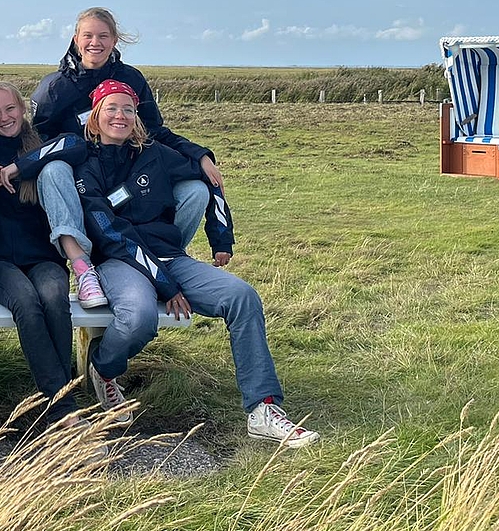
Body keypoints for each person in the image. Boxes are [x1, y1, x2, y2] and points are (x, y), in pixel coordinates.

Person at [75, 78, 319, 448]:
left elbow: (210, 181)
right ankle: (105, 367)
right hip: (117, 260)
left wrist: (220, 235)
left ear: (137, 116)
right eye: (111, 108)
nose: (120, 115)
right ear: (95, 116)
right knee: (139, 316)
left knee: (242, 297)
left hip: (170, 256)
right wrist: (166, 285)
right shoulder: (85, 164)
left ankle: (263, 409)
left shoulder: (155, 154)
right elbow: (111, 232)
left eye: (128, 108)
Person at [29, 6, 224, 310]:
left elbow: (154, 131)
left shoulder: (131, 78)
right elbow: (38, 142)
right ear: (75, 38)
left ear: (115, 39)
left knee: (196, 191)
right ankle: (85, 269)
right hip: (81, 183)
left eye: (104, 36)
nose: (96, 42)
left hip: (129, 176)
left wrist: (199, 155)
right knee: (53, 169)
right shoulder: (54, 88)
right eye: (88, 35)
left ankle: (162, 259)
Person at [0, 81, 79, 426]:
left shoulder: (42, 142)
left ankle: (58, 400)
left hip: (42, 256)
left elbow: (76, 145)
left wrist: (22, 166)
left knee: (54, 294)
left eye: (10, 109)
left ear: (22, 108)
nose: (4, 117)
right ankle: (62, 408)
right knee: (27, 302)